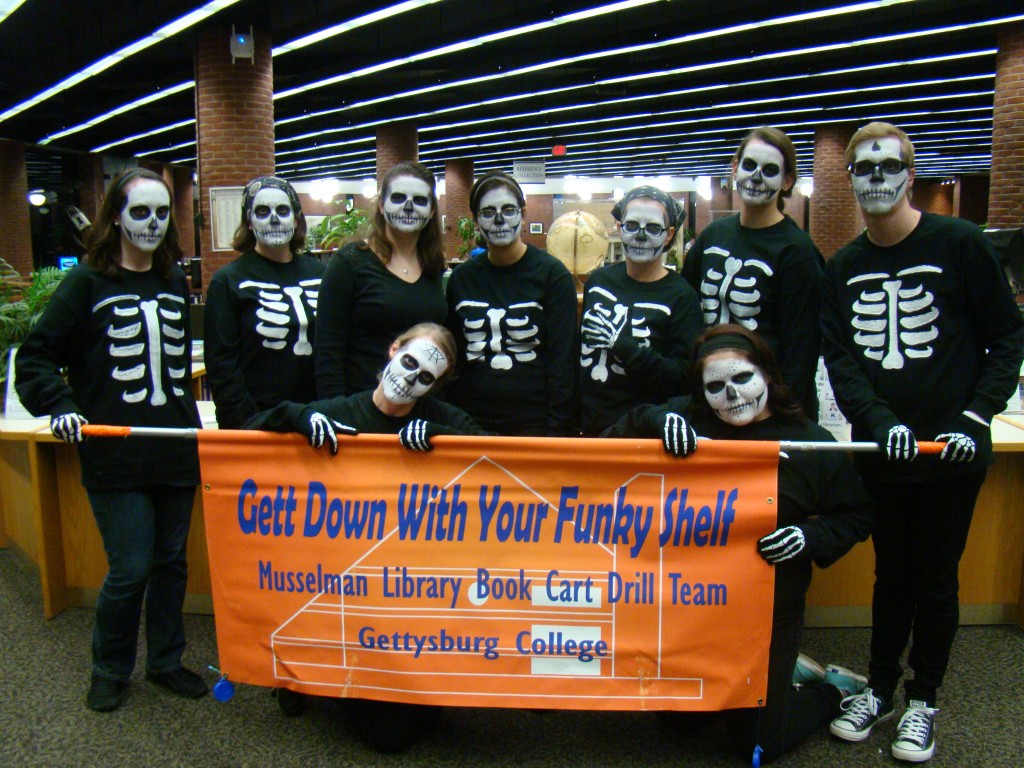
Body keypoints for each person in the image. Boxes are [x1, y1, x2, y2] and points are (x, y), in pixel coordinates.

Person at [820, 122, 1024, 763]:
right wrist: (880, 423)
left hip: (952, 453)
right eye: (863, 167)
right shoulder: (845, 266)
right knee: (889, 575)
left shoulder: (960, 244)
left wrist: (975, 416)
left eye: (888, 166)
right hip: (883, 454)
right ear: (851, 179)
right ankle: (878, 688)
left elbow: (1007, 340)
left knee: (935, 579)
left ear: (910, 174)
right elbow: (843, 361)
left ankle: (923, 700)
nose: (875, 177)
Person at [604, 324, 875, 764]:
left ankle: (829, 690)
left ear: (767, 375)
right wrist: (656, 419)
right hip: (695, 606)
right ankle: (777, 679)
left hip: (769, 608)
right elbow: (609, 442)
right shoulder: (690, 418)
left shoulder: (809, 441)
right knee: (676, 721)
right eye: (715, 387)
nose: (731, 395)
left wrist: (811, 536)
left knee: (756, 746)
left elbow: (858, 514)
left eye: (742, 379)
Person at [244, 322, 487, 752]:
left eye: (426, 378)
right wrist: (296, 415)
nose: (411, 379)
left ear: (434, 387)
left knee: (416, 726)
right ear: (393, 350)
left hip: (407, 595)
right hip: (342, 588)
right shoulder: (341, 409)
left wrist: (444, 439)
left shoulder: (441, 417)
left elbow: (499, 455)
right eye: (409, 362)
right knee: (387, 738)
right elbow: (244, 438)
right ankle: (307, 681)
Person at [15, 168, 206, 712]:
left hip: (172, 445)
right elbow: (35, 359)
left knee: (171, 563)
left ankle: (166, 661)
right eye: (140, 212)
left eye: (162, 212)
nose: (151, 223)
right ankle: (110, 667)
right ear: (116, 217)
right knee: (130, 567)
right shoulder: (87, 283)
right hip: (114, 451)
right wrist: (61, 406)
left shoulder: (172, 278)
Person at [682, 126, 824, 416]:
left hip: (770, 408)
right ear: (735, 169)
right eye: (749, 165)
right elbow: (686, 310)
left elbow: (802, 348)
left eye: (770, 170)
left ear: (786, 181)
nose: (757, 177)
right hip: (711, 400)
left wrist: (781, 412)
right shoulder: (712, 237)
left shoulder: (798, 252)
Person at [445, 170, 577, 436]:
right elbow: (455, 355)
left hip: (535, 422)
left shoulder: (552, 275)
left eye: (508, 210)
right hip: (471, 420)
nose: (499, 220)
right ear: (476, 221)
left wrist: (557, 429)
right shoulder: (462, 278)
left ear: (523, 215)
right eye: (487, 212)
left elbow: (563, 362)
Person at [314, 161, 447, 398]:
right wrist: (338, 414)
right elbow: (328, 355)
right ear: (381, 205)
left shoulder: (432, 267)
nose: (408, 207)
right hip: (361, 411)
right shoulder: (349, 263)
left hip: (418, 413)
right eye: (397, 198)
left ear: (432, 211)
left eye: (419, 200)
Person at [578, 185, 701, 435]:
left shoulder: (682, 296)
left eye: (653, 229)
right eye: (632, 226)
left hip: (645, 432)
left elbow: (683, 377)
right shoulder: (598, 281)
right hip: (589, 427)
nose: (641, 237)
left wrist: (624, 347)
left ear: (668, 235)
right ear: (620, 229)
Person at [203, 176, 323, 428]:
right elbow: (221, 365)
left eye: (283, 210)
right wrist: (249, 423)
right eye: (262, 211)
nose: (274, 219)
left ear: (296, 218)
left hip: (316, 418)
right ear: (248, 221)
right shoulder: (228, 281)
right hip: (256, 421)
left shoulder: (321, 273)